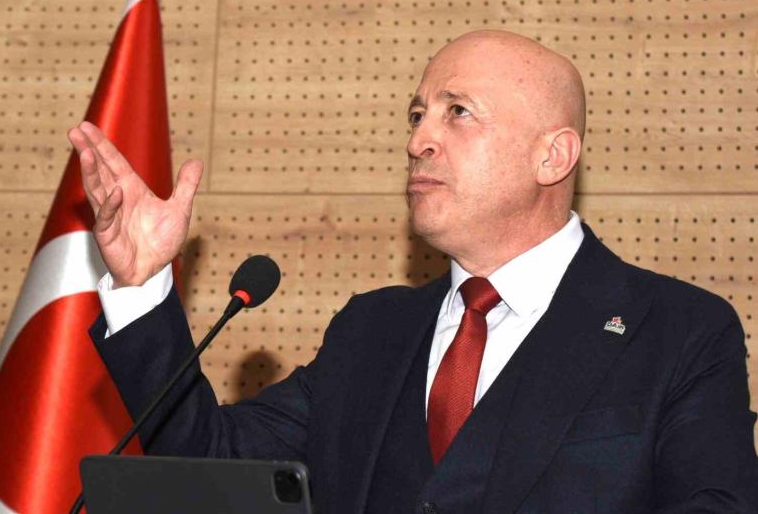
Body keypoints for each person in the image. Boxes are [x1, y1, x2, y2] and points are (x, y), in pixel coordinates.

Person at [68, 30, 757, 513]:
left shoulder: (680, 333)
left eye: (459, 114)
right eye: (418, 115)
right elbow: (209, 465)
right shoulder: (372, 331)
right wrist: (143, 282)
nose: (418, 139)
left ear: (552, 157)